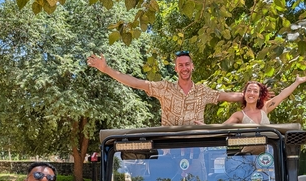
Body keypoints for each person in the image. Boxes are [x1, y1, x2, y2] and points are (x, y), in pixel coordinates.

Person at [87, 50, 248, 126]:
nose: (184, 68)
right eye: (180, 65)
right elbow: (136, 82)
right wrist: (106, 69)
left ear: (192, 67)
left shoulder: (202, 91)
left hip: (197, 150)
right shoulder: (165, 88)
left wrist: (258, 94)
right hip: (169, 150)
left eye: (187, 65)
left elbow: (230, 96)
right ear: (176, 69)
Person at [222, 75, 306, 125]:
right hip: (249, 154)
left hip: (268, 153)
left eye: (255, 91)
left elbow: (282, 95)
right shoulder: (239, 115)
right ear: (244, 94)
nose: (251, 93)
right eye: (248, 90)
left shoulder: (264, 108)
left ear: (259, 96)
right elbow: (220, 128)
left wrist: (297, 82)